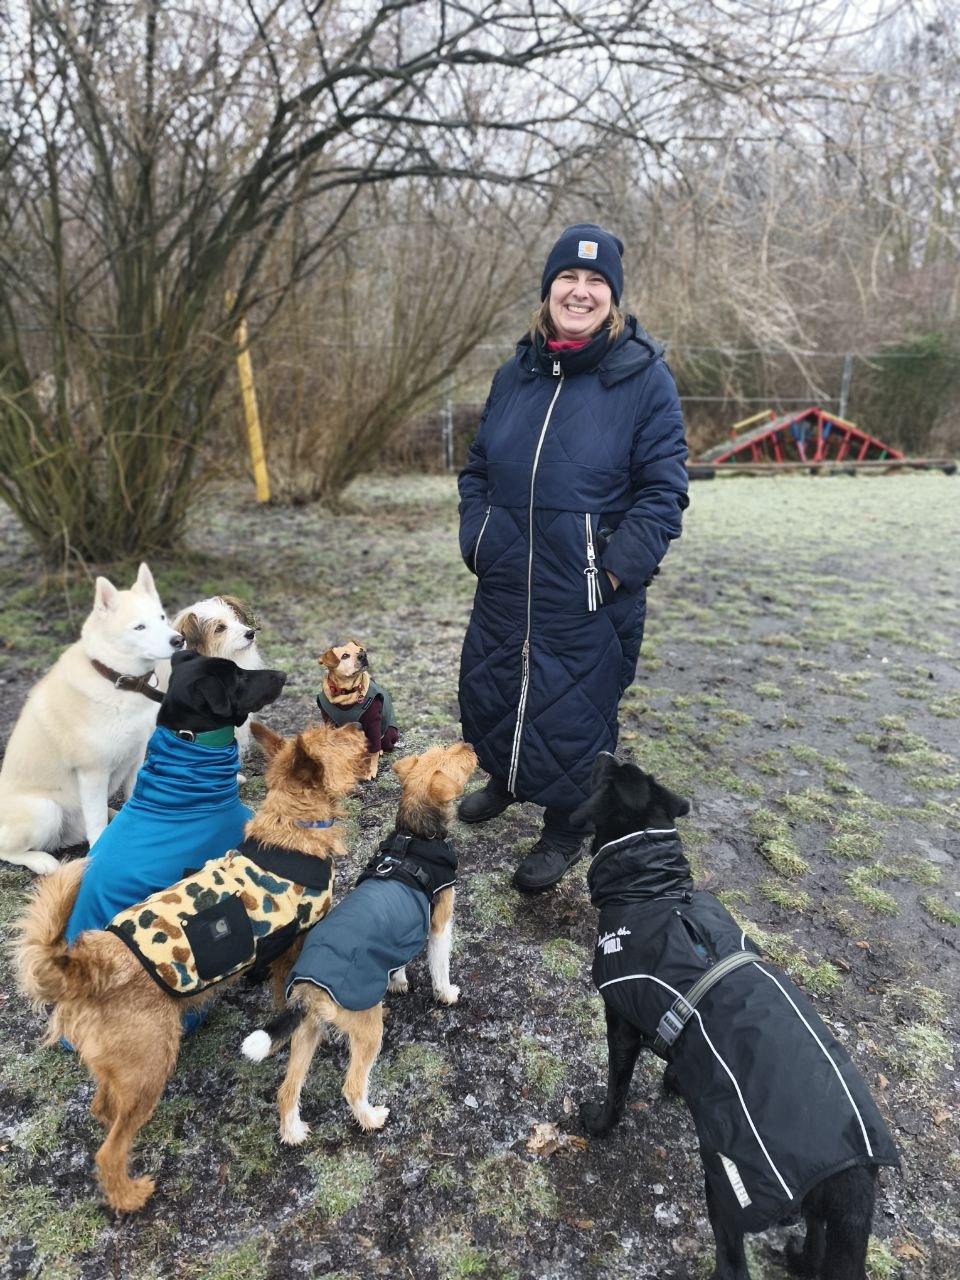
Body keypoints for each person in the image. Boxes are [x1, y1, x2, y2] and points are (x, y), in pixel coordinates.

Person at [456, 222, 689, 893]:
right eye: (568, 278)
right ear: (548, 288)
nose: (580, 292)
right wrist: (479, 534)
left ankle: (566, 824)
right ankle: (506, 778)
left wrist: (615, 568)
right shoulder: (515, 373)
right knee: (499, 684)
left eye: (595, 282)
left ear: (612, 298)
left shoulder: (645, 380)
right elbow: (477, 470)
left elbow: (663, 490)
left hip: (589, 585)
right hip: (508, 576)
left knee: (578, 706)